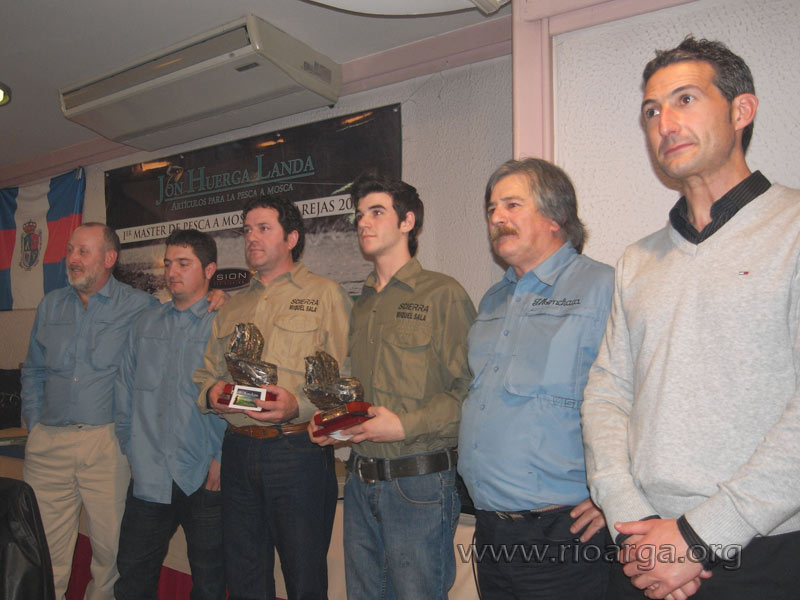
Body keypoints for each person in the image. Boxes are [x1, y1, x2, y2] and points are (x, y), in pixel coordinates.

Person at [581, 36, 800, 600]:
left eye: (685, 99)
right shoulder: (637, 259)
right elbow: (606, 394)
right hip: (641, 545)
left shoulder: (793, 228)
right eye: (652, 111)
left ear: (741, 110)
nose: (665, 123)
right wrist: (630, 521)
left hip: (766, 551)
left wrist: (700, 537)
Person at [310, 170, 476, 600]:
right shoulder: (363, 304)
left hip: (417, 483)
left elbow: (470, 393)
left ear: (408, 221)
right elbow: (358, 394)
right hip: (360, 480)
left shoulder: (442, 294)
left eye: (377, 212)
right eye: (360, 214)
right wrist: (332, 423)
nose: (363, 222)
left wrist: (403, 425)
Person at [457, 158, 613, 598]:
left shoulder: (602, 287)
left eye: (512, 205)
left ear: (555, 216)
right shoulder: (494, 299)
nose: (496, 217)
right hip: (491, 531)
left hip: (563, 534)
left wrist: (616, 495)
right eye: (491, 208)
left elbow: (641, 398)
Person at [194, 196, 351, 600]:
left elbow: (347, 379)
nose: (251, 237)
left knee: (304, 578)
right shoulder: (233, 307)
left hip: (296, 452)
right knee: (244, 577)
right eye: (247, 230)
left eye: (263, 228)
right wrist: (212, 393)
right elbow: (205, 374)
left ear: (291, 238)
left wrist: (299, 405)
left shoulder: (326, 295)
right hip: (238, 451)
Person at [21, 222, 159, 600]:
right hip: (49, 443)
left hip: (106, 444)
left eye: (83, 251)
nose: (72, 259)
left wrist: (217, 299)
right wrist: (34, 423)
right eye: (70, 250)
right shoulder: (51, 305)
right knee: (42, 550)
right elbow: (33, 369)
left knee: (110, 551)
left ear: (109, 258)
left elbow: (160, 368)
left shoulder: (140, 307)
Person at [114, 229, 227, 599]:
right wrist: (131, 445)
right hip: (149, 475)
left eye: (183, 263)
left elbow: (239, 395)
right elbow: (124, 387)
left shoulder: (224, 323)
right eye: (168, 264)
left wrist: (222, 458)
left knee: (210, 583)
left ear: (209, 269)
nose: (172, 272)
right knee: (132, 578)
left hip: (204, 476)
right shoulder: (145, 324)